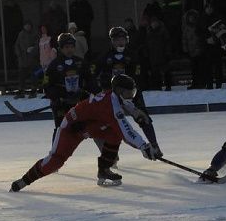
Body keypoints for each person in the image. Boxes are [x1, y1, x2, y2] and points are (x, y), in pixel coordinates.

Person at [10, 74, 161, 191]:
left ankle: (104, 170)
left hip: (92, 126)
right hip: (72, 127)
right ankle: (24, 180)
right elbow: (127, 130)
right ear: (120, 91)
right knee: (56, 160)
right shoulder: (110, 105)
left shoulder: (115, 97)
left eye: (132, 93)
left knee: (114, 133)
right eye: (129, 93)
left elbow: (129, 110)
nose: (131, 97)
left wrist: (137, 114)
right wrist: (144, 146)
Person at [92, 26, 160, 148]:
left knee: (143, 118)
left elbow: (138, 75)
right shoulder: (104, 57)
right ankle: (108, 153)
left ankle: (154, 145)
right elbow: (95, 75)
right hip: (112, 96)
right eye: (117, 39)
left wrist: (132, 90)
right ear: (112, 41)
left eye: (123, 39)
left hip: (131, 93)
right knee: (105, 123)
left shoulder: (133, 55)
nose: (120, 42)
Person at [42, 33, 95, 138]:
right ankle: (55, 153)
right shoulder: (54, 65)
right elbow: (47, 85)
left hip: (77, 103)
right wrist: (57, 97)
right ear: (61, 48)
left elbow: (90, 81)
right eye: (66, 47)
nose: (69, 50)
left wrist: (89, 94)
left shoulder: (81, 63)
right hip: (61, 104)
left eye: (71, 47)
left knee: (82, 127)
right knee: (60, 129)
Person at [145, 18, 173, 91]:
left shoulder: (163, 31)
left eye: (155, 23)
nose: (153, 24)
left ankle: (168, 85)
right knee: (155, 72)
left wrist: (168, 53)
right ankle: (157, 86)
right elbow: (147, 45)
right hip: (153, 55)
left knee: (166, 71)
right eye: (152, 23)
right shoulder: (149, 33)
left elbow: (167, 43)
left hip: (162, 55)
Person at [181, 9, 207, 89]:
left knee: (200, 68)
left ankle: (202, 83)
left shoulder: (199, 27)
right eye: (190, 17)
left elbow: (202, 38)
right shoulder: (186, 28)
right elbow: (184, 39)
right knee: (194, 69)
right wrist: (185, 49)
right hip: (191, 51)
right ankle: (195, 83)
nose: (191, 19)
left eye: (192, 17)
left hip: (199, 50)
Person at [15, 21, 39, 98]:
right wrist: (19, 55)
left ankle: (33, 90)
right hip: (22, 58)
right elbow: (17, 45)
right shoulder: (21, 34)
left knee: (33, 75)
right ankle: (21, 90)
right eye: (26, 25)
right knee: (22, 75)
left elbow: (37, 45)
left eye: (29, 25)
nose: (27, 27)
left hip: (32, 58)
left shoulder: (34, 34)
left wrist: (32, 51)